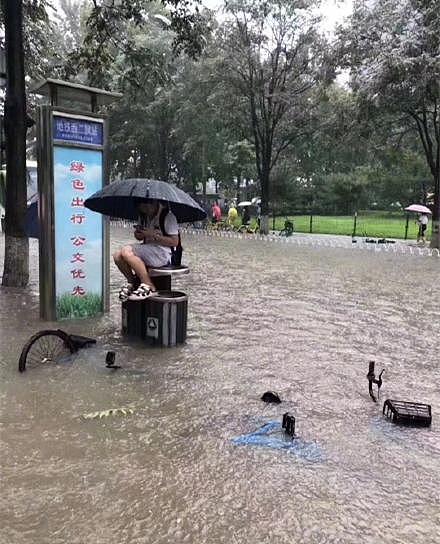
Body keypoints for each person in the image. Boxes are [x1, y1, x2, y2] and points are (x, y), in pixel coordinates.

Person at [113, 200, 179, 301]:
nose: (146, 211)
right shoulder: (143, 216)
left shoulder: (168, 217)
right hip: (147, 249)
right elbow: (139, 238)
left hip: (162, 253)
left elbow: (174, 242)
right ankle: (132, 282)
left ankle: (149, 285)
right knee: (117, 255)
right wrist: (139, 234)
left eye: (148, 208)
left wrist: (153, 235)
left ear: (155, 203)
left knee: (126, 251)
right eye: (142, 209)